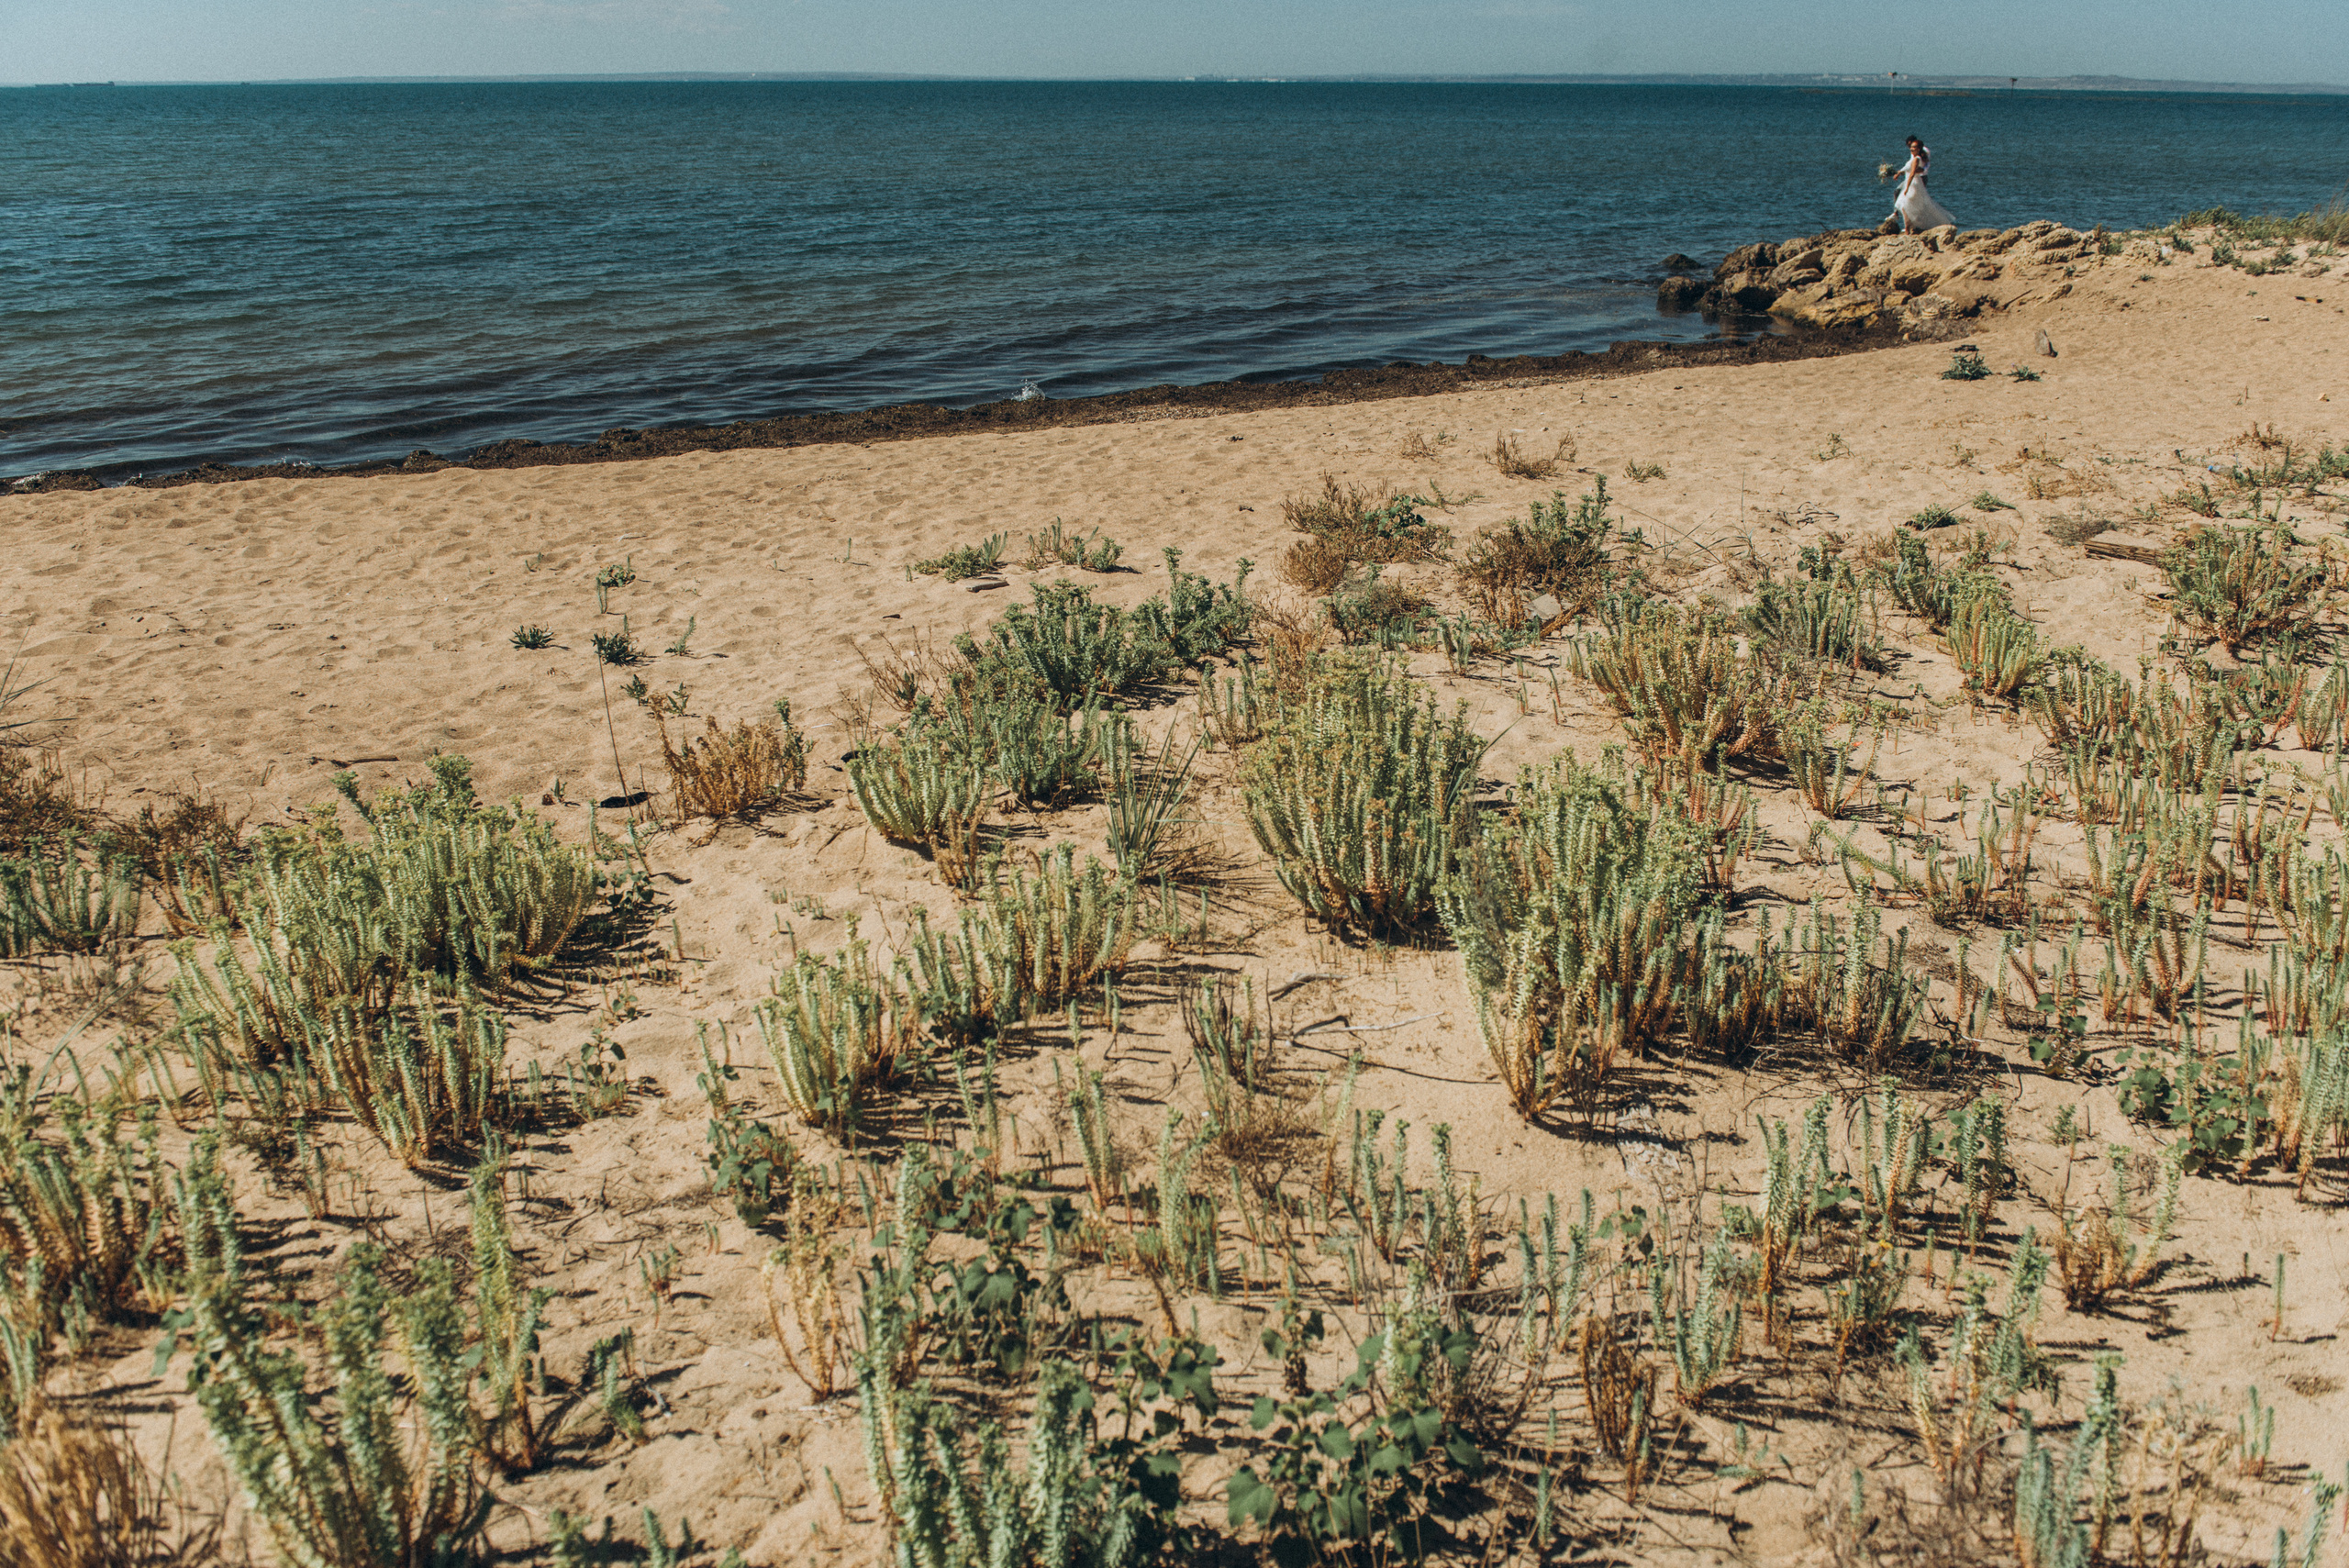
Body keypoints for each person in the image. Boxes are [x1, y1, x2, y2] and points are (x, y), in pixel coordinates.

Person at [1892, 135, 1957, 233]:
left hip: (1914, 183)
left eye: (1913, 147)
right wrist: (1899, 173)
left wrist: (1907, 187)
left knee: (1907, 205)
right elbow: (1911, 168)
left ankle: (1909, 228)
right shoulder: (1915, 157)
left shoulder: (1919, 157)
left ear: (1918, 148)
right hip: (1912, 182)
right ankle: (1909, 226)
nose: (1910, 148)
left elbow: (1917, 171)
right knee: (1907, 204)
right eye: (1910, 147)